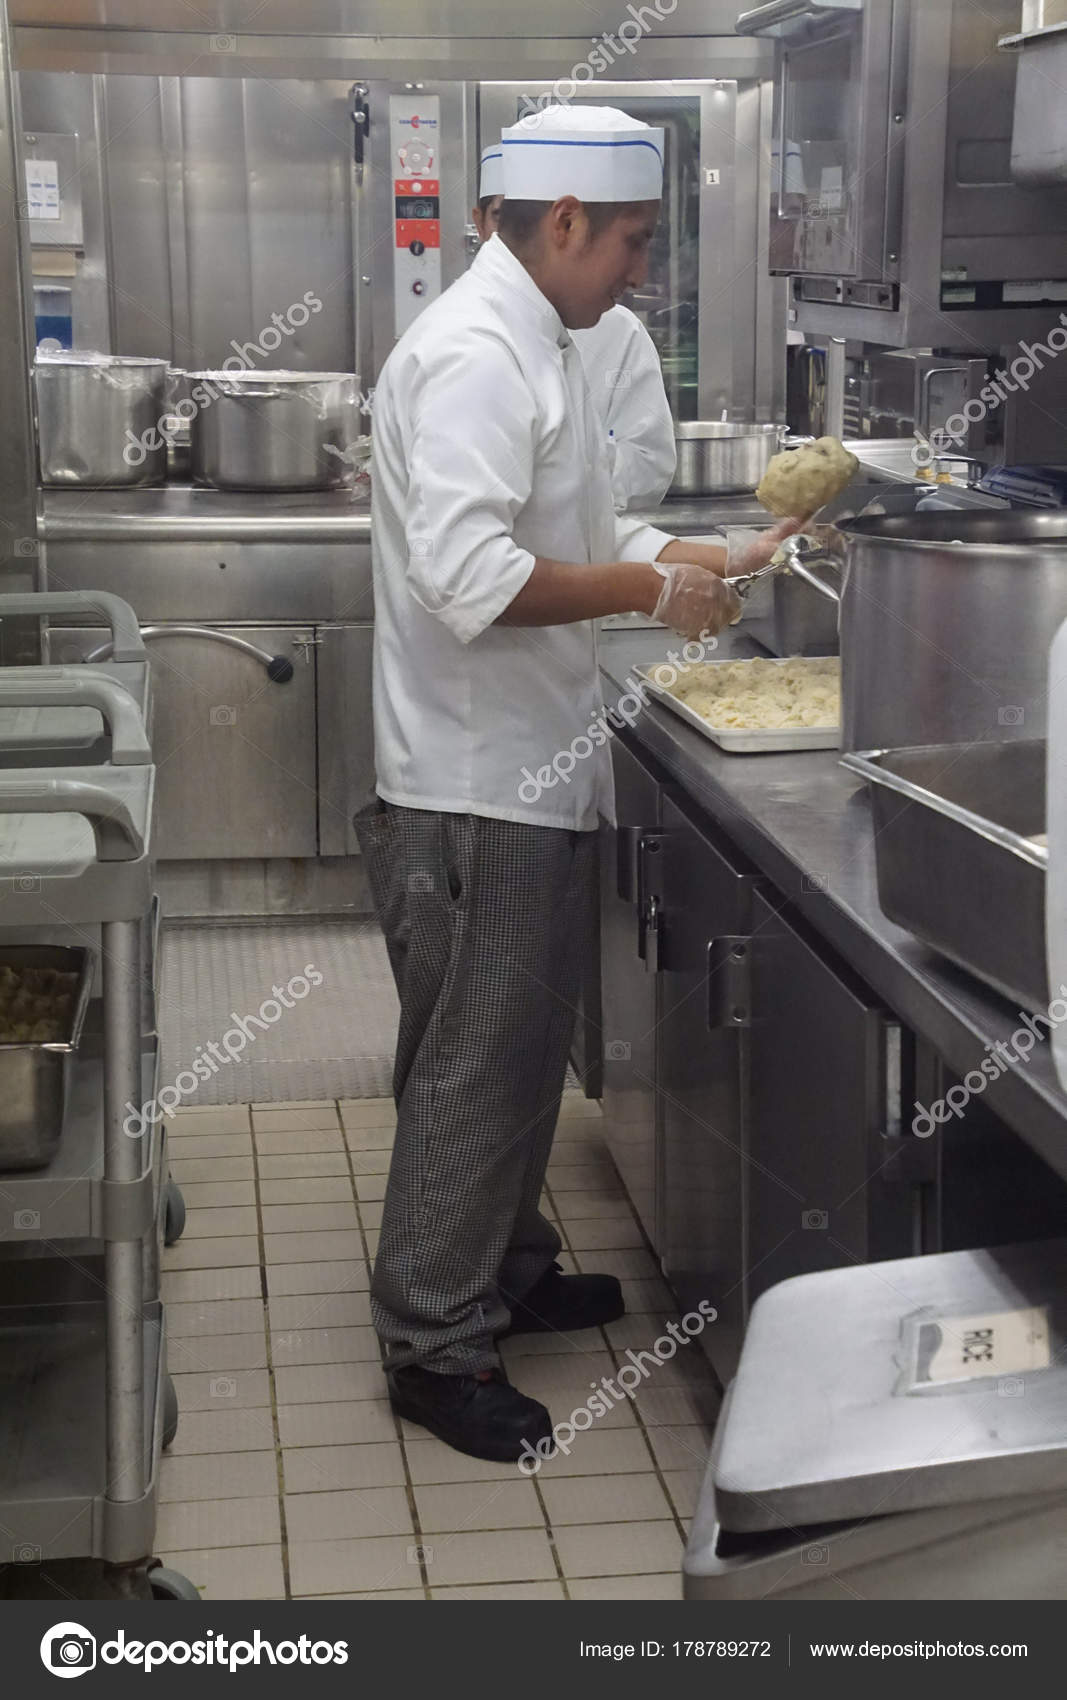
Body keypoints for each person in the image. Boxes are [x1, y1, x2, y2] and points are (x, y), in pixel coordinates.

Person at [360, 103, 798, 1464]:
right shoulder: (477, 356)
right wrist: (649, 594)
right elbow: (470, 577)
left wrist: (714, 558)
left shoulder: (540, 342)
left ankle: (505, 1265)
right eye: (631, 242)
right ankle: (433, 1341)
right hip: (472, 785)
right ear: (559, 222)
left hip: (518, 773)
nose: (640, 271)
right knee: (472, 1066)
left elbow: (586, 532)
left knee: (511, 1051)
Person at [473, 139, 676, 513]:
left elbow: (643, 474)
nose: (639, 276)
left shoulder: (616, 331)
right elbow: (475, 546)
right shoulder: (467, 344)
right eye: (504, 219)